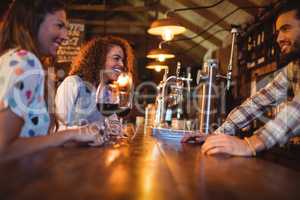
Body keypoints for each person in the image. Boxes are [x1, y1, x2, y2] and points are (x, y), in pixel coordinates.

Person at [182, 0, 300, 156]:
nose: (278, 39)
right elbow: (259, 102)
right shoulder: (294, 67)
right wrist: (218, 134)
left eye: (286, 29)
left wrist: (250, 144)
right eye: (278, 32)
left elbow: (297, 109)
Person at [0, 0, 103, 161]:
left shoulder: (12, 58)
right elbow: (4, 149)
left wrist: (73, 138)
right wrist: (69, 134)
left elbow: (31, 136)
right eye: (59, 26)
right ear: (32, 21)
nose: (65, 36)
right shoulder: (26, 61)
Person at [55, 36, 134, 134]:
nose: (122, 64)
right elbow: (58, 127)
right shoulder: (72, 83)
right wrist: (89, 131)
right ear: (100, 58)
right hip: (70, 148)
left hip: (96, 148)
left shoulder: (107, 92)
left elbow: (114, 128)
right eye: (116, 58)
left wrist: (118, 129)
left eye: (122, 60)